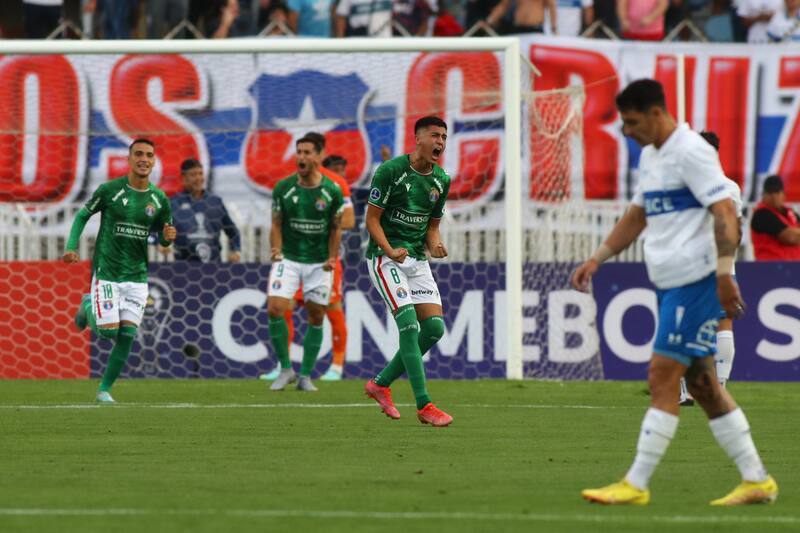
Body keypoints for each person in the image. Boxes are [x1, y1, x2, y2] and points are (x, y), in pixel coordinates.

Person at [573, 79, 777, 505]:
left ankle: (636, 483)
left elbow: (725, 213)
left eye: (631, 122)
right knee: (703, 385)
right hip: (669, 284)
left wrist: (724, 274)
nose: (627, 131)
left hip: (696, 282)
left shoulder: (692, 152)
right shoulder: (651, 156)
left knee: (661, 376)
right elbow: (638, 214)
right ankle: (756, 479)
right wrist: (598, 258)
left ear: (655, 113)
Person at [63, 139, 176, 403]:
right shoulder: (110, 190)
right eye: (138, 154)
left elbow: (164, 237)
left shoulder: (159, 199)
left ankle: (104, 390)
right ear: (129, 159)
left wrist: (168, 238)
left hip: (137, 276)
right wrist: (71, 246)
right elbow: (82, 216)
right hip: (108, 272)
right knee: (108, 332)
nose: (144, 159)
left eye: (149, 155)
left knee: (127, 336)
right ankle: (87, 302)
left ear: (154, 161)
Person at [363, 116, 453, 428]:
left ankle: (380, 384)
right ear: (417, 138)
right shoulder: (391, 172)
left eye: (444, 137)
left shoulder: (441, 180)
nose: (440, 142)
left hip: (416, 260)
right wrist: (389, 250)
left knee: (435, 329)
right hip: (385, 258)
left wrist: (436, 243)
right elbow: (372, 220)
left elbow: (432, 227)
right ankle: (424, 404)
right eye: (434, 135)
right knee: (410, 327)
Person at [262, 135, 355, 381]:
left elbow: (348, 221)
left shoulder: (336, 185)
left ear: (320, 153)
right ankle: (284, 365)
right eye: (299, 152)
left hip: (322, 259)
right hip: (293, 258)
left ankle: (336, 365)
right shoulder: (289, 185)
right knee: (283, 306)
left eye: (307, 152)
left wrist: (321, 225)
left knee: (329, 308)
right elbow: (278, 221)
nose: (302, 157)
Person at [679, 130, 743, 406]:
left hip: (690, 264)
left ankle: (685, 391)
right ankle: (720, 387)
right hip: (722, 264)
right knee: (723, 323)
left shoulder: (684, 186)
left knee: (685, 325)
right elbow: (735, 231)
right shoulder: (730, 187)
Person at [162, 159, 242, 263]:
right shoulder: (173, 203)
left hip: (214, 267)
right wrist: (160, 243)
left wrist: (236, 250)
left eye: (200, 174)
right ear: (183, 178)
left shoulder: (215, 202)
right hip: (182, 268)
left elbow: (233, 231)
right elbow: (155, 229)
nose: (198, 178)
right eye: (193, 175)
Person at [750, 175, 800, 260]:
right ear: (763, 195)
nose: (774, 196)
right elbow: (789, 237)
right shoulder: (761, 214)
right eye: (770, 192)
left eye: (777, 192)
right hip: (769, 268)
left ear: (783, 194)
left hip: (793, 268)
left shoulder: (791, 213)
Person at [489, 0, 558, 34]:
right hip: (518, 29)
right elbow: (503, 6)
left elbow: (552, 7)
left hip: (535, 30)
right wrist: (489, 21)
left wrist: (553, 28)